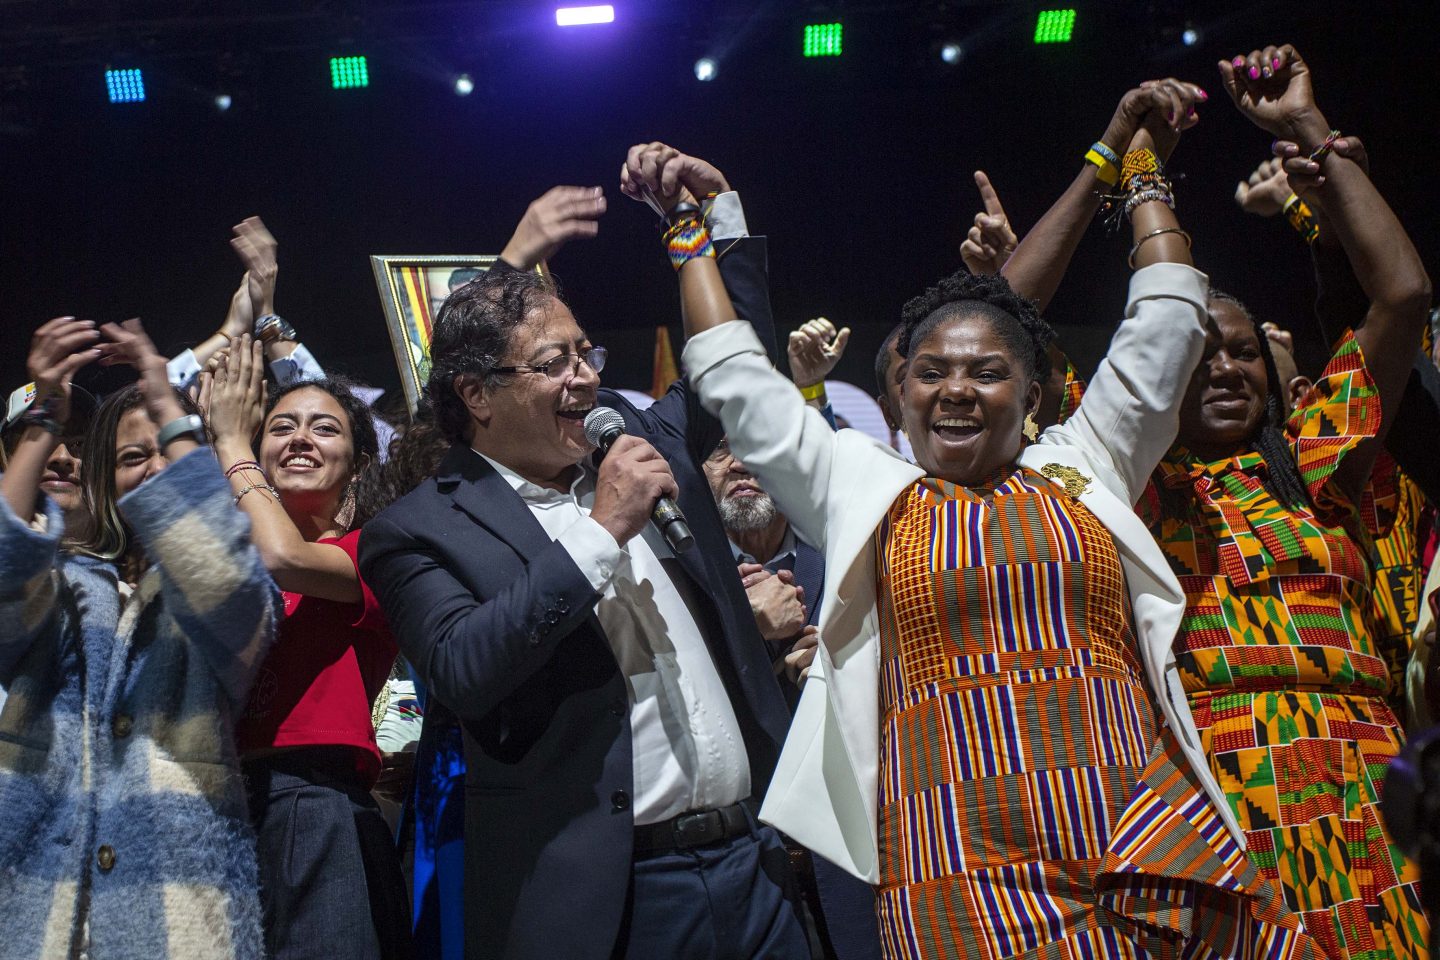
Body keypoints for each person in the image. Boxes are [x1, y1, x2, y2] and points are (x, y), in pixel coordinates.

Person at [663, 88, 1318, 957]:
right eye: (930, 371)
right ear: (899, 393)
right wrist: (689, 227)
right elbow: (735, 376)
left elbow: (1167, 313)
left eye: (986, 371)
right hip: (952, 862)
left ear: (1035, 394)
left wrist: (1142, 167)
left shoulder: (1087, 459)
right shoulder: (863, 486)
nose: (956, 388)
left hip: (1130, 840)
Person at [359, 154, 808, 960]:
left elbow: (735, 368)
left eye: (585, 355)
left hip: (756, 863)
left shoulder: (644, 444)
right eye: (554, 364)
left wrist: (710, 222)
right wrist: (599, 533)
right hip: (614, 899)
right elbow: (466, 669)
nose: (585, 381)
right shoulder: (418, 529)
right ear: (476, 394)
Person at [1132, 46, 1432, 959]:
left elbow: (1404, 293)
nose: (1223, 365)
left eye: (1240, 352)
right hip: (1223, 808)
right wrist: (1139, 169)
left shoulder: (1314, 463)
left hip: (1368, 795)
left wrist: (1308, 127)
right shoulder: (1133, 490)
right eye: (1195, 350)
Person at [0, 316, 278, 960]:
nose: (155, 466)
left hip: (176, 909)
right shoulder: (64, 582)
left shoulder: (232, 588)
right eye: (131, 457)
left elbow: (224, 576)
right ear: (102, 481)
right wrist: (44, 414)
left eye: (172, 448)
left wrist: (165, 403)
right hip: (27, 902)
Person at [201, 337, 410, 959]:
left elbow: (286, 557)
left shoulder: (377, 550)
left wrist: (232, 444)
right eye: (280, 427)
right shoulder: (227, 561)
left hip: (314, 802)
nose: (299, 439)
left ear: (358, 463)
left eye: (324, 429)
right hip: (223, 807)